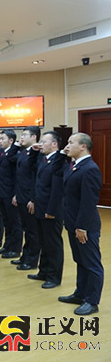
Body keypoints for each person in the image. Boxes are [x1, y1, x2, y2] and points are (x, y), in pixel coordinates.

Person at [58, 133, 104, 315]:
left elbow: (88, 202)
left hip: (85, 226)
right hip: (73, 222)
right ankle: (80, 294)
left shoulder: (90, 169)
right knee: (80, 260)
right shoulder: (74, 165)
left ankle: (92, 301)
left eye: (71, 142)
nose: (67, 146)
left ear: (83, 146)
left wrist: (82, 227)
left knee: (92, 264)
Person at [29, 131, 66, 289]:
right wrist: (33, 151)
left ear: (54, 144)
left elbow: (57, 190)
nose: (41, 144)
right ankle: (43, 271)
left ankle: (54, 277)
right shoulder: (43, 159)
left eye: (44, 141)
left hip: (51, 210)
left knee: (53, 244)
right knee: (43, 242)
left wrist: (51, 210)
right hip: (40, 207)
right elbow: (32, 169)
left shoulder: (59, 161)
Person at [0, 129, 22, 259]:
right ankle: (7, 245)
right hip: (1, 191)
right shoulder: (0, 152)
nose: (0, 141)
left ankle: (15, 248)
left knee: (14, 222)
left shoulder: (15, 154)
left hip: (11, 193)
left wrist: (16, 194)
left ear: (11, 141)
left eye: (2, 139)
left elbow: (17, 177)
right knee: (6, 221)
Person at [11, 126, 41, 270]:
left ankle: (32, 260)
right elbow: (19, 176)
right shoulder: (23, 152)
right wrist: (16, 195)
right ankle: (25, 256)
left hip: (30, 198)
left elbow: (36, 179)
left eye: (24, 135)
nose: (21, 138)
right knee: (26, 229)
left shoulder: (37, 154)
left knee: (33, 232)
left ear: (34, 137)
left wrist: (33, 199)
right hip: (21, 196)